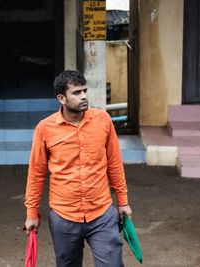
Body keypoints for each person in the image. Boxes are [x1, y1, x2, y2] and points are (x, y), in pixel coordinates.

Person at [24, 70, 132, 267]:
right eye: (76, 93)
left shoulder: (103, 121)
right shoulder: (45, 128)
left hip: (102, 213)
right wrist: (31, 213)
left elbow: (115, 164)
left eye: (84, 91)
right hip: (64, 216)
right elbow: (36, 174)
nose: (83, 96)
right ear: (61, 98)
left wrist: (123, 202)